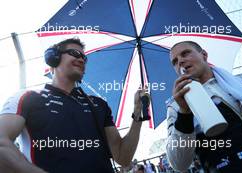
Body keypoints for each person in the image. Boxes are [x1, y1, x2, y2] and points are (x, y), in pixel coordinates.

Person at [0, 38, 148, 173]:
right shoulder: (26, 98)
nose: (81, 59)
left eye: (84, 57)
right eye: (75, 53)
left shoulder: (98, 104)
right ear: (53, 58)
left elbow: (123, 157)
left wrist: (137, 114)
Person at [166, 41, 242, 173]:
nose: (180, 61)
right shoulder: (176, 106)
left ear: (204, 55)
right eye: (175, 61)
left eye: (185, 53)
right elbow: (179, 164)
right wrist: (184, 114)